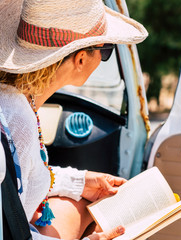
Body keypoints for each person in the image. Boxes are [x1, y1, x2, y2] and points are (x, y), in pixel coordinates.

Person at [0, 0, 148, 239]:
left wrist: (80, 182)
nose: (103, 57)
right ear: (80, 59)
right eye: (106, 49)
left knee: (86, 207)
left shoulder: (16, 102)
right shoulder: (16, 121)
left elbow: (17, 184)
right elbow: (7, 229)